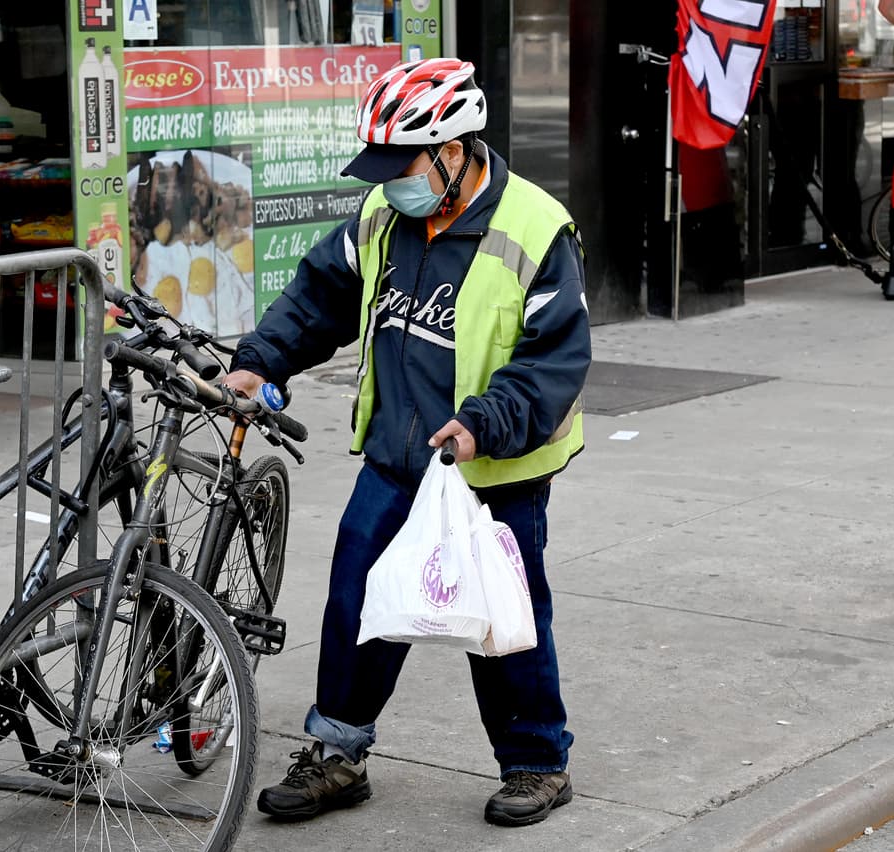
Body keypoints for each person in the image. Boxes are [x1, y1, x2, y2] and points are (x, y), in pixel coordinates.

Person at [222, 57, 592, 828]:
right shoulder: (383, 220)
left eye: (404, 165)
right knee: (357, 602)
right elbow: (318, 296)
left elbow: (555, 359)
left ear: (453, 153)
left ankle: (536, 764)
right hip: (398, 454)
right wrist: (260, 364)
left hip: (493, 464)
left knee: (501, 620)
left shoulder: (533, 227)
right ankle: (337, 754)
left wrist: (485, 421)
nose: (390, 182)